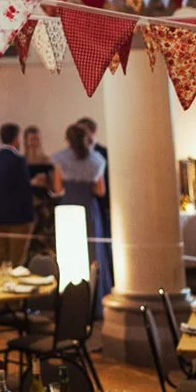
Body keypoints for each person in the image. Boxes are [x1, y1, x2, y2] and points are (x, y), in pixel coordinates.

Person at [52, 123, 111, 312]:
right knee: (93, 253)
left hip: (68, 208)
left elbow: (58, 189)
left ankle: (72, 302)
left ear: (68, 139)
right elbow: (100, 191)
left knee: (70, 255)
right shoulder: (97, 160)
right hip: (89, 209)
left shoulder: (61, 159)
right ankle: (95, 302)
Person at [0, 123, 35, 265]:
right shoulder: (19, 160)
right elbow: (24, 187)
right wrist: (34, 183)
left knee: (2, 256)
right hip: (19, 216)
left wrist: (0, 191)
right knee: (17, 259)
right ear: (16, 139)